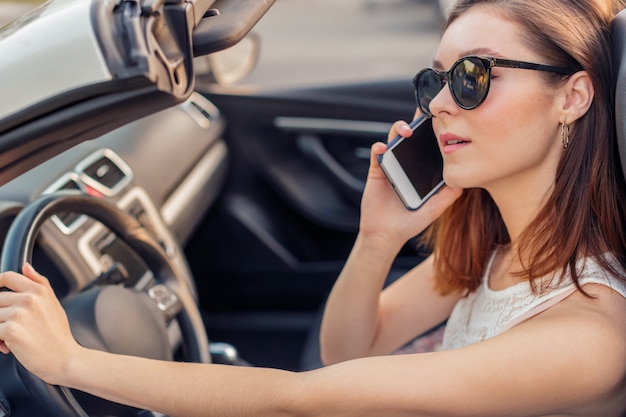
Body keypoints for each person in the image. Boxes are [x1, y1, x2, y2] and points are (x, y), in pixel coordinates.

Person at [2, 0, 626, 415]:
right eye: (433, 81)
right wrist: (376, 238)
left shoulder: (588, 336)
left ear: (571, 96)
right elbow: (349, 351)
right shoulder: (503, 252)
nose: (438, 104)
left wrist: (71, 361)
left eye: (472, 76)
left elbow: (297, 398)